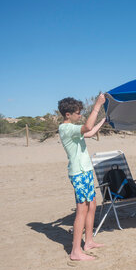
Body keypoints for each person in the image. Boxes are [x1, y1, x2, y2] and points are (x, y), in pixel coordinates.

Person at [58, 94, 107, 260]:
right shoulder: (66, 128)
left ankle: (89, 241)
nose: (80, 115)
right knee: (82, 209)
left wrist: (103, 121)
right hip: (78, 173)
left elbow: (90, 132)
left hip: (85, 171)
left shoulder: (73, 128)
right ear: (68, 114)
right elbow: (87, 127)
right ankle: (75, 251)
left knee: (92, 205)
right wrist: (97, 106)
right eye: (78, 113)